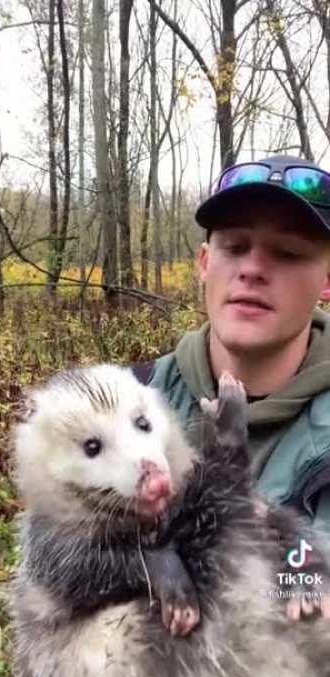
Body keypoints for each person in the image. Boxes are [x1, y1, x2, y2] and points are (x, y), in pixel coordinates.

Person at [133, 154, 330, 531]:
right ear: (205, 263)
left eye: (288, 253)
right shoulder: (130, 401)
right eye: (235, 247)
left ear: (327, 279)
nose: (252, 269)